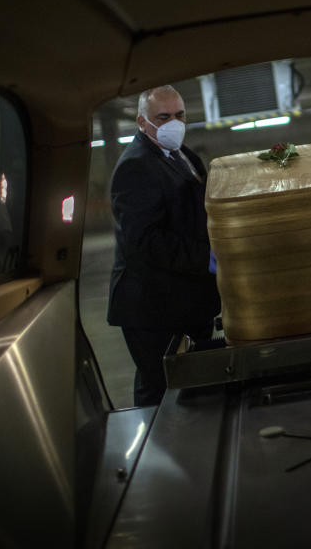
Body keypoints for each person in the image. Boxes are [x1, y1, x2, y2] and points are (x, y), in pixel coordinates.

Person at [107, 85, 220, 406]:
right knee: (160, 389)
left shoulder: (182, 155)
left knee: (188, 386)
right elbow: (143, 242)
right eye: (163, 117)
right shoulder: (136, 166)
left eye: (179, 115)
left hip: (184, 298)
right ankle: (153, 453)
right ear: (142, 123)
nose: (174, 123)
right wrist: (206, 258)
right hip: (153, 306)